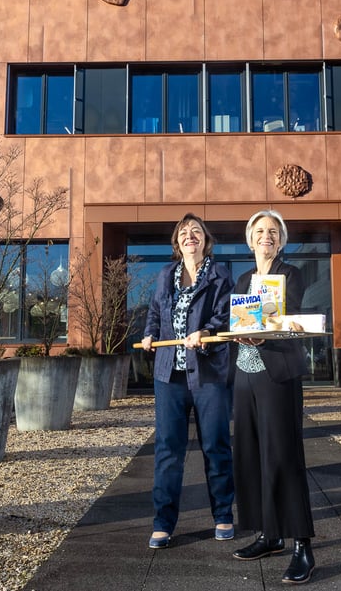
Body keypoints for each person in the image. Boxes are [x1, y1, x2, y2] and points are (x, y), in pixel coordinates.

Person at [230, 209, 316, 585]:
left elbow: (290, 317)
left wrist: (265, 331)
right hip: (245, 377)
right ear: (250, 240)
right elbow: (235, 323)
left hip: (277, 374)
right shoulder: (243, 279)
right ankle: (269, 533)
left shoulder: (291, 274)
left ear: (281, 240)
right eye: (260, 231)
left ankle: (302, 546)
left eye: (273, 231)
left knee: (283, 455)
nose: (266, 236)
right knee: (251, 454)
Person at [141, 213, 235, 549]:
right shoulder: (166, 274)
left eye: (196, 231)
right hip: (169, 375)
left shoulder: (220, 275)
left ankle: (223, 515)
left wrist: (207, 332)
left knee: (216, 446)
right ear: (177, 242)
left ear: (205, 240)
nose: (189, 235)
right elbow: (155, 311)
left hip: (208, 373)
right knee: (168, 450)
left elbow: (225, 317)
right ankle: (163, 522)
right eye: (183, 232)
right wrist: (150, 334)